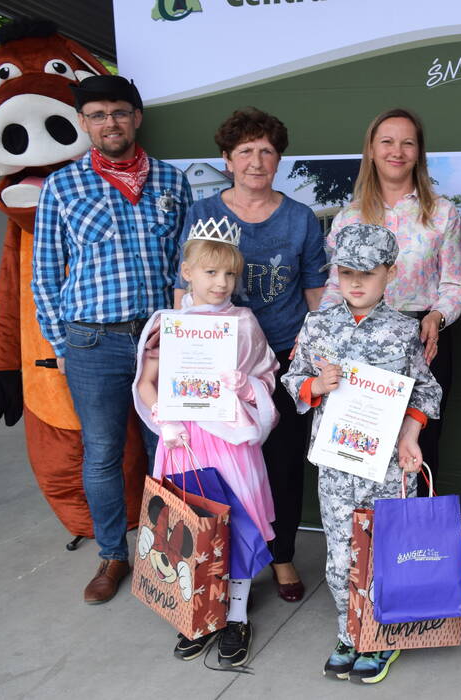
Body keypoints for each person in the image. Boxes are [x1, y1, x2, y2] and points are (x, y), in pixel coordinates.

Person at [32, 74, 191, 604]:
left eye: (120, 112)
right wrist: (63, 345)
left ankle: (171, 554)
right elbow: (45, 274)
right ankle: (112, 555)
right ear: (84, 123)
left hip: (159, 342)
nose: (110, 123)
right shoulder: (62, 187)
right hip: (92, 343)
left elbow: (185, 267)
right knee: (101, 453)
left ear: (137, 117)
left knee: (166, 447)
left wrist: (184, 334)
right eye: (98, 115)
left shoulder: (171, 182)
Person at [177, 108, 327, 602]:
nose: (256, 161)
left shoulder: (299, 218)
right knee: (220, 466)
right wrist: (181, 352)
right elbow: (184, 286)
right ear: (227, 159)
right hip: (216, 361)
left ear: (279, 159)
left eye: (267, 151)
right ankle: (220, 561)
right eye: (245, 151)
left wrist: (314, 348)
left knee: (283, 462)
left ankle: (281, 556)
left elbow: (315, 290)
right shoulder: (202, 213)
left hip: (282, 356)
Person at [281, 224, 441, 684]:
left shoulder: (403, 330)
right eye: (346, 272)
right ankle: (349, 631)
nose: (355, 282)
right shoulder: (318, 324)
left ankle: (382, 633)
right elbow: (293, 379)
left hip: (387, 468)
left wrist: (411, 435)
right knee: (340, 556)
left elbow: (426, 391)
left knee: (385, 552)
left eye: (366, 273)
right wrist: (316, 385)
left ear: (390, 273)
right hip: (335, 466)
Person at [134, 221, 280, 667]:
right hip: (184, 442)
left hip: (230, 440)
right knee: (189, 527)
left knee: (238, 524)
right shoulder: (168, 325)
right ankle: (200, 608)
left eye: (230, 274)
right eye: (211, 272)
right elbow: (147, 382)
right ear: (187, 272)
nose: (221, 283)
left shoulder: (244, 323)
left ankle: (236, 616)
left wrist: (247, 385)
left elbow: (266, 375)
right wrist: (164, 418)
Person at [322, 108, 461, 496]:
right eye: (386, 142)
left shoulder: (443, 213)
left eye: (407, 143)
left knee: (418, 449)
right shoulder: (349, 217)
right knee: (359, 451)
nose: (396, 151)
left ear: (419, 152)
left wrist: (437, 315)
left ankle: (412, 533)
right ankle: (360, 533)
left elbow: (454, 285)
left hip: (422, 339)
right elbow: (335, 287)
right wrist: (316, 333)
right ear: (371, 150)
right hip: (359, 340)